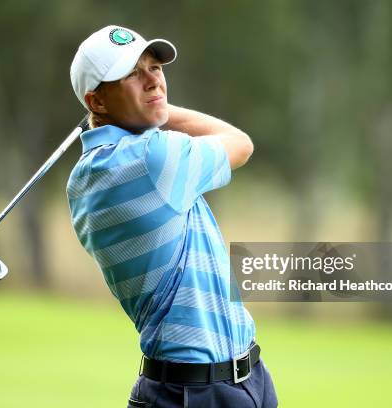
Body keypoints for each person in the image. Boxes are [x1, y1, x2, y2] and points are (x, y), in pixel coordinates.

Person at [68, 25, 278, 407]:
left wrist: (139, 109)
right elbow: (240, 143)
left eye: (155, 68)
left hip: (236, 380)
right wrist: (160, 111)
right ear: (96, 102)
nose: (153, 81)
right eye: (133, 74)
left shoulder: (90, 173)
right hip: (197, 392)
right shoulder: (149, 159)